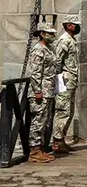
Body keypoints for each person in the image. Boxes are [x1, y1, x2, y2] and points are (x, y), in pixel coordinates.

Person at [26, 25, 59, 164]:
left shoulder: (49, 49)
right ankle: (34, 151)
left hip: (48, 90)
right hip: (40, 92)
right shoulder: (38, 50)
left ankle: (40, 149)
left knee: (44, 121)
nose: (52, 35)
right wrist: (37, 91)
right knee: (38, 121)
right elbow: (35, 73)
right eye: (49, 33)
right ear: (42, 34)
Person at [51, 17, 81, 154]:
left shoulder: (72, 40)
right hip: (65, 81)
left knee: (69, 110)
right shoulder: (64, 40)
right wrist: (59, 82)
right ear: (69, 26)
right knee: (63, 110)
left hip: (71, 80)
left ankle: (61, 139)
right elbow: (57, 62)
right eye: (75, 25)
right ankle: (57, 141)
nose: (77, 27)